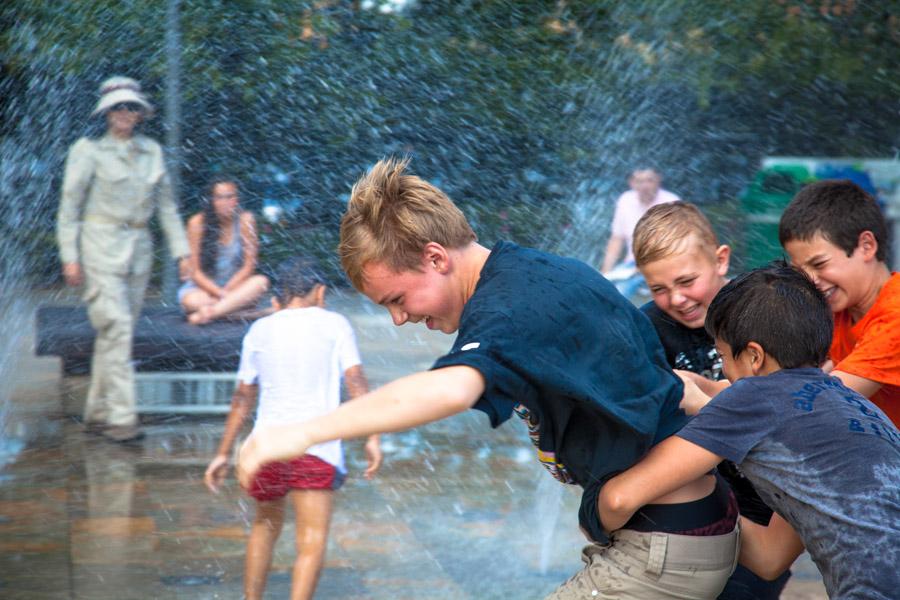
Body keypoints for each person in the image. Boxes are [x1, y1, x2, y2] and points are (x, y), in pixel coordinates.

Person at [238, 158, 741, 599]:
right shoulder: (533, 270)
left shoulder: (506, 311)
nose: (398, 319)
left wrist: (298, 433)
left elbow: (451, 388)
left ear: (435, 257)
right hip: (678, 531)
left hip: (663, 548)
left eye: (397, 299)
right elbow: (665, 379)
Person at [598, 262, 900, 600]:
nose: (724, 369)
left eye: (723, 356)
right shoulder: (856, 409)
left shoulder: (755, 394)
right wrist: (698, 504)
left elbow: (618, 498)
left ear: (754, 356)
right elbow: (769, 557)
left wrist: (597, 512)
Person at [633, 202, 792, 598]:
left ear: (721, 259)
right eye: (659, 288)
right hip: (683, 511)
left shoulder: (764, 313)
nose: (677, 298)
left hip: (760, 509)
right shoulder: (645, 329)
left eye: (687, 281)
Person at [204, 257, 382, 600]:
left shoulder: (260, 329)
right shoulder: (335, 324)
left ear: (279, 298)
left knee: (264, 525)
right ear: (320, 291)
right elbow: (356, 379)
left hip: (267, 448)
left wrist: (223, 453)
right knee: (311, 541)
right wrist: (373, 436)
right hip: (316, 447)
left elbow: (243, 396)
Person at [57, 76, 191, 443]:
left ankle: (97, 413)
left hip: (138, 250)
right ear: (106, 112)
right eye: (118, 107)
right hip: (99, 245)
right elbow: (69, 208)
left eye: (131, 107)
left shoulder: (152, 152)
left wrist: (182, 251)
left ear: (140, 113)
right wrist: (70, 256)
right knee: (115, 326)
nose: (124, 113)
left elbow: (165, 206)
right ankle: (122, 417)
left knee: (116, 334)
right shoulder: (88, 151)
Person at [779, 179, 900, 425]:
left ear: (866, 246)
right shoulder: (835, 311)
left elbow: (824, 402)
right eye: (799, 270)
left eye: (819, 264)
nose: (809, 281)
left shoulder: (895, 315)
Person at [179, 176, 269, 324]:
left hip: (235, 287)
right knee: (190, 301)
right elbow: (194, 272)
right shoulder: (197, 222)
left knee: (261, 282)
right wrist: (221, 294)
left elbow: (249, 265)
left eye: (229, 197)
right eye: (219, 198)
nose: (225, 203)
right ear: (211, 201)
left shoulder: (246, 220)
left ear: (237, 199)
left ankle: (208, 314)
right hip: (203, 290)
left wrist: (228, 291)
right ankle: (236, 313)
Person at [600, 167, 680, 298]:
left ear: (658, 181)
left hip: (664, 264)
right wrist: (605, 272)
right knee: (602, 290)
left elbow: (676, 243)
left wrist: (645, 267)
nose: (644, 186)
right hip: (631, 266)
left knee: (620, 294)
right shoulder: (625, 200)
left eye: (649, 180)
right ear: (631, 183)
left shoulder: (671, 202)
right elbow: (616, 239)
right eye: (639, 181)